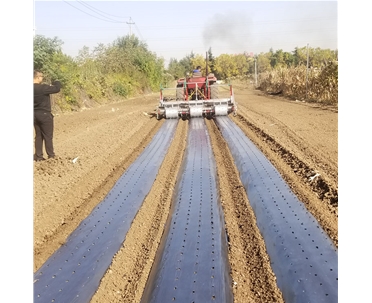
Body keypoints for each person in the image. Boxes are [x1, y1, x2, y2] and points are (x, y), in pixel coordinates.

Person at [33, 70, 61, 161]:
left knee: (38, 136)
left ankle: (39, 156)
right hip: (45, 114)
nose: (42, 78)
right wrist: (56, 81)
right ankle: (51, 156)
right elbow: (57, 89)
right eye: (41, 76)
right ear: (37, 77)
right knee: (48, 136)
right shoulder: (43, 88)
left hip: (34, 115)